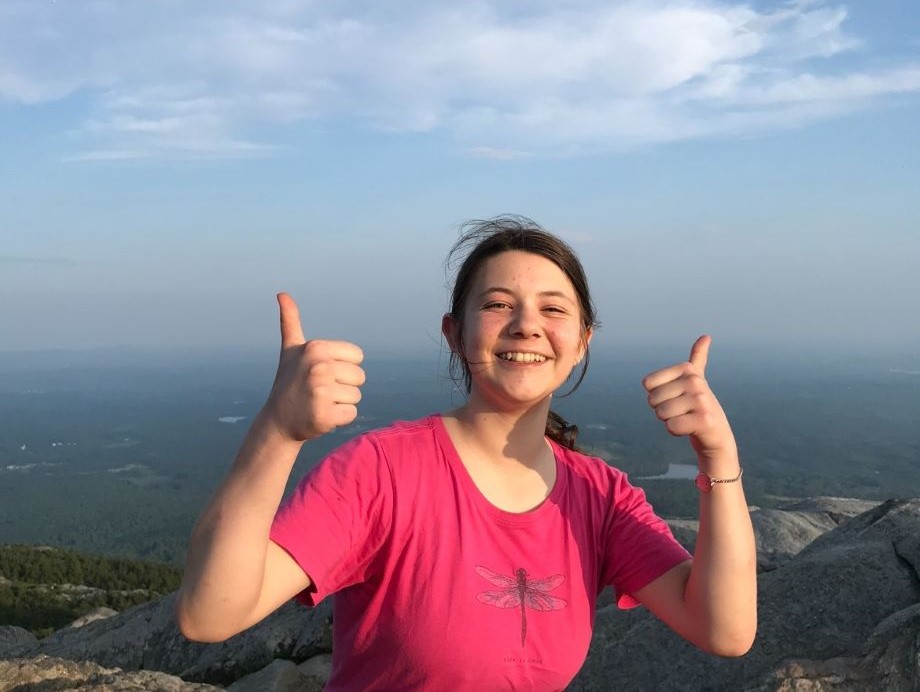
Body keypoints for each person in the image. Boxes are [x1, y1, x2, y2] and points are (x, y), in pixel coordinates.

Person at [175, 216, 757, 690]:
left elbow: (723, 630)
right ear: (455, 334)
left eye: (554, 309)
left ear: (582, 343)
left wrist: (719, 458)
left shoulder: (601, 497)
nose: (527, 325)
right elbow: (211, 614)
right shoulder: (383, 472)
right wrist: (276, 431)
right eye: (499, 304)